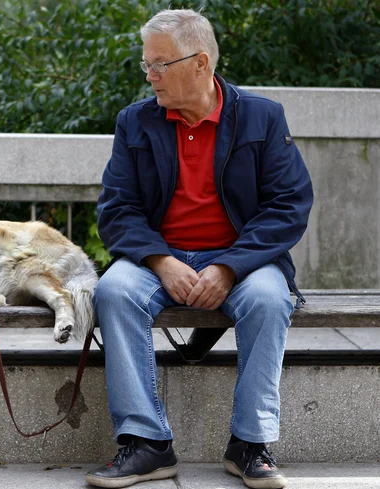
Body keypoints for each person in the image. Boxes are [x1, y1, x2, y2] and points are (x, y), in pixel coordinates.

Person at [85, 8, 313, 489]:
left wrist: (229, 266)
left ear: (200, 62)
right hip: (157, 259)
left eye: (160, 64)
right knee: (113, 291)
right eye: (146, 64)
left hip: (243, 260)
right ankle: (147, 444)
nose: (150, 75)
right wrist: (161, 260)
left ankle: (250, 443)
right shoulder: (136, 122)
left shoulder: (262, 117)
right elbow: (117, 208)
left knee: (271, 299)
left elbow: (289, 205)